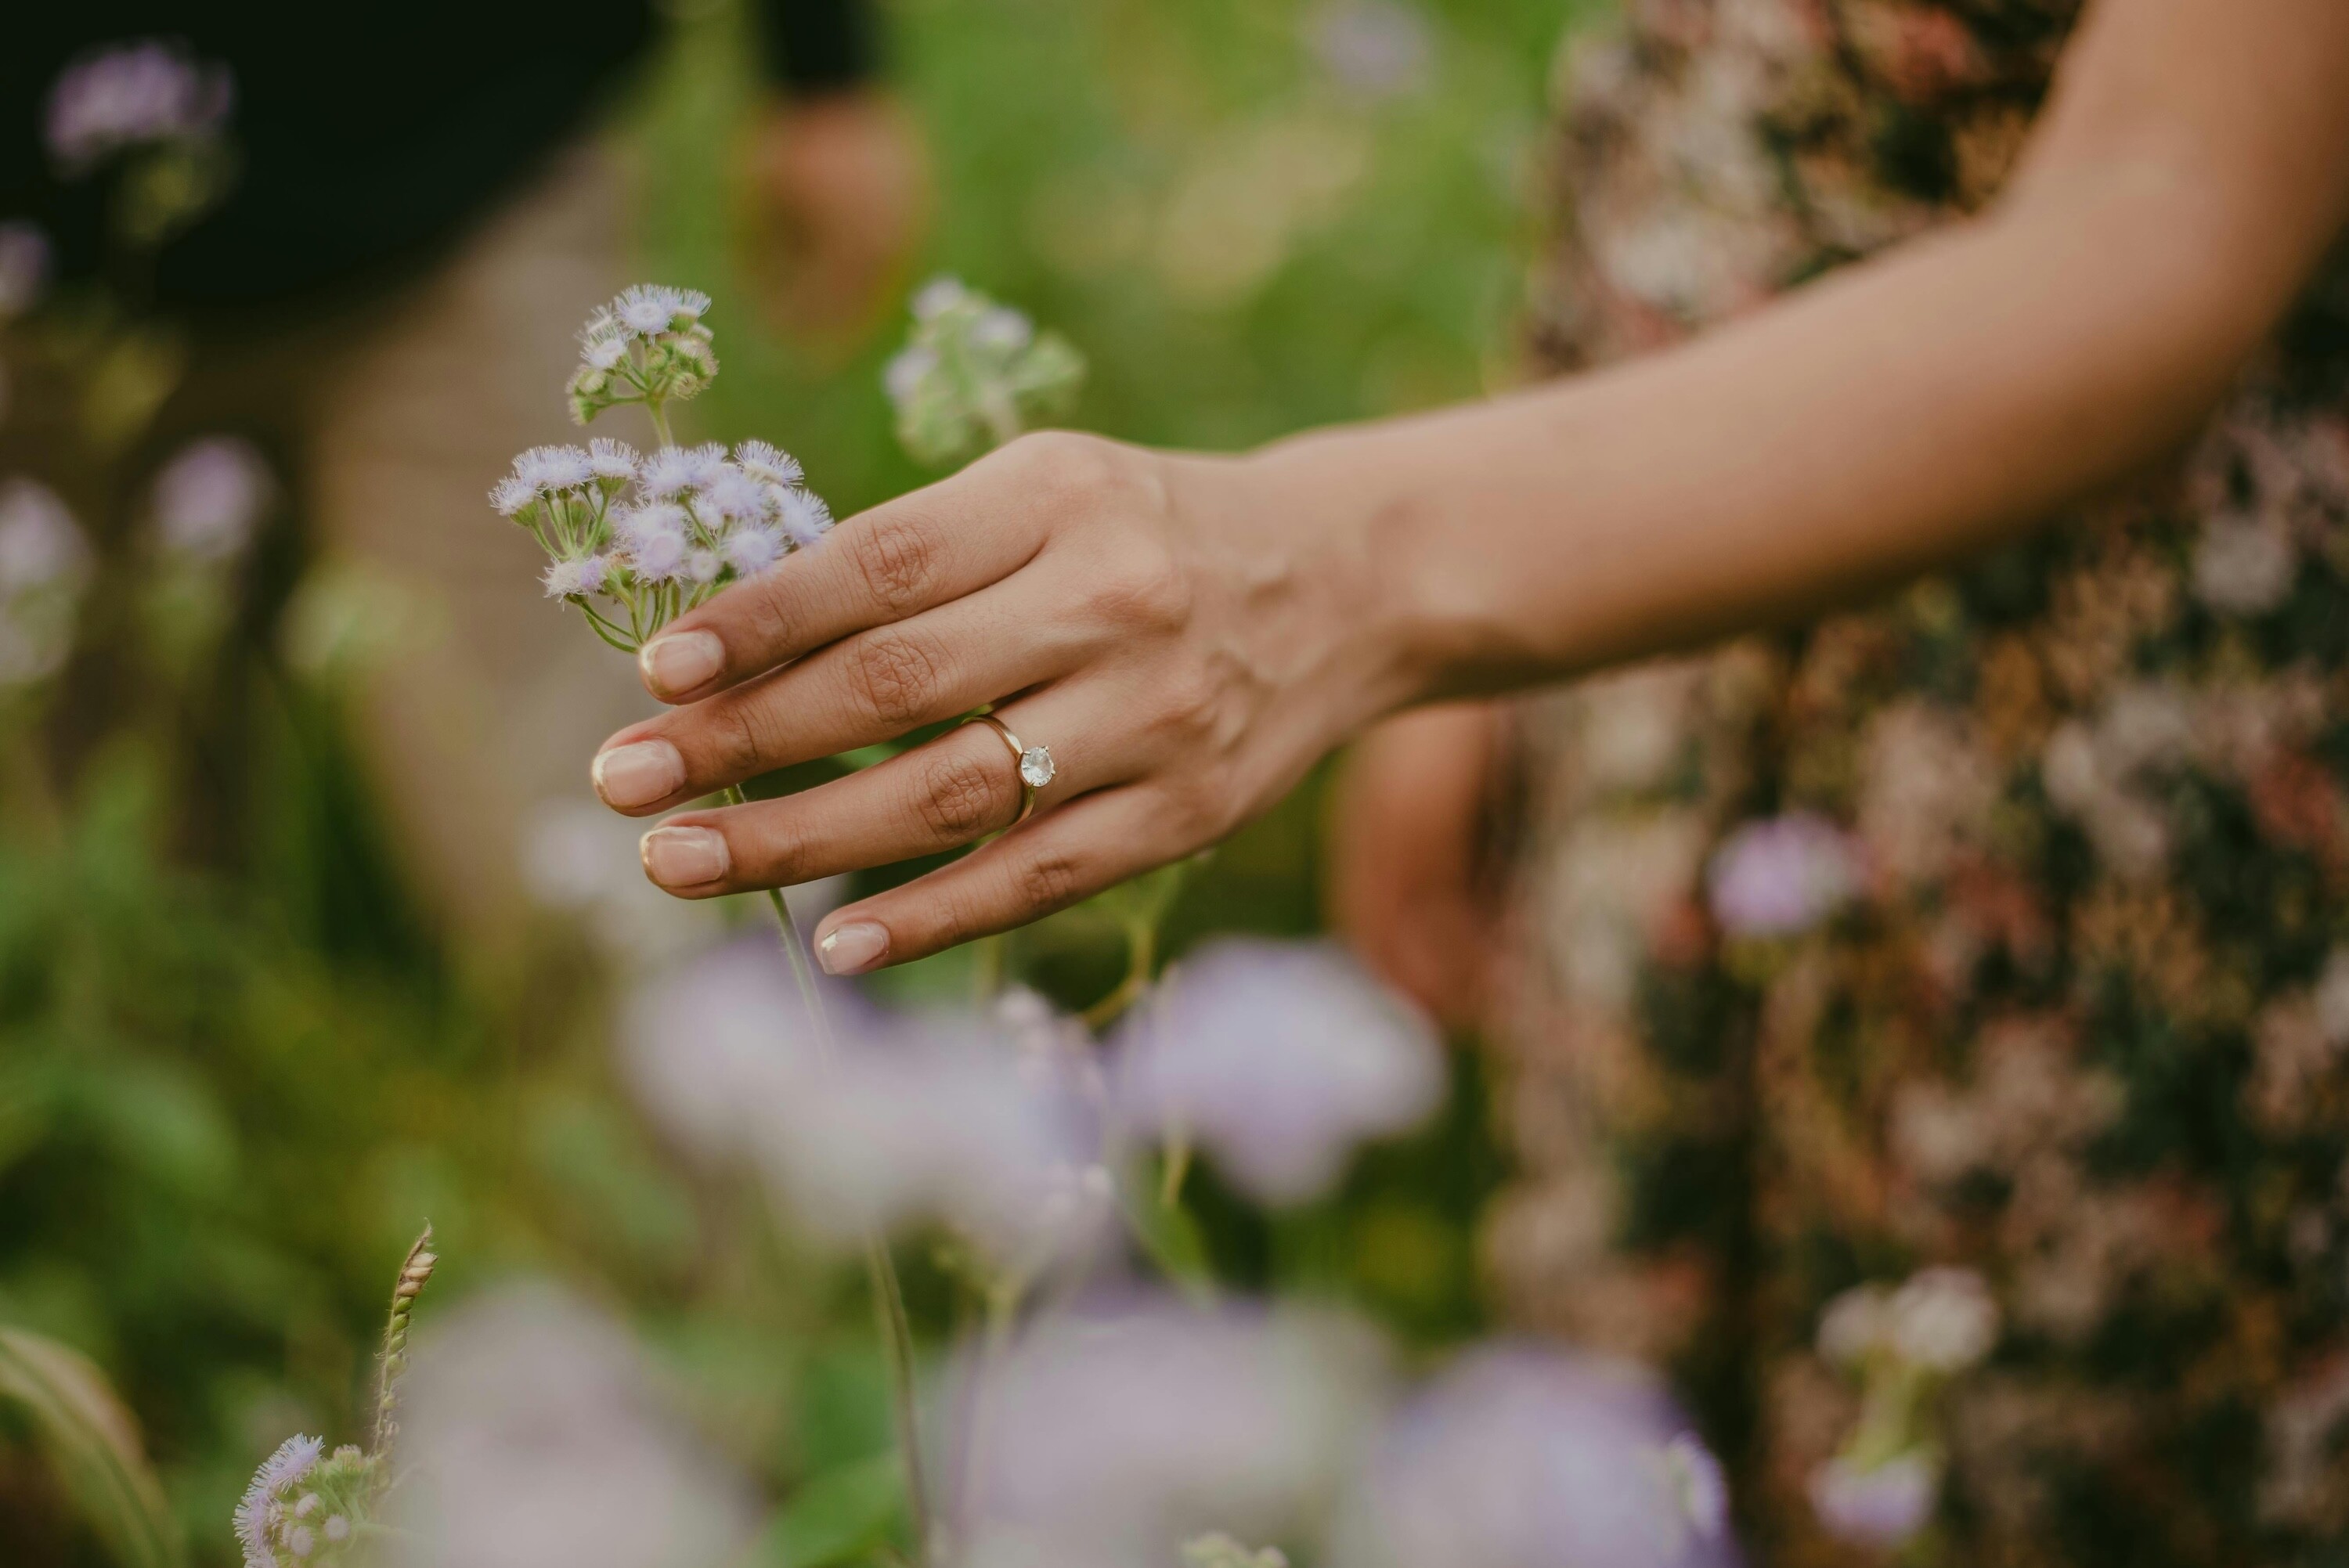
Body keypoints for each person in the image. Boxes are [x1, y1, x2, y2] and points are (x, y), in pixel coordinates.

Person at [587, 0, 2349, 1552]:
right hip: (1640, 599)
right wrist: (1478, 643)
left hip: (2061, 776)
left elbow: (2169, 213)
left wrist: (1353, 572)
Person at [1, 2, 928, 943]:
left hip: (465, 178)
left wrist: (823, 70)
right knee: (97, 888)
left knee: (594, 875)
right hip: (38, 284)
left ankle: (738, 1060)